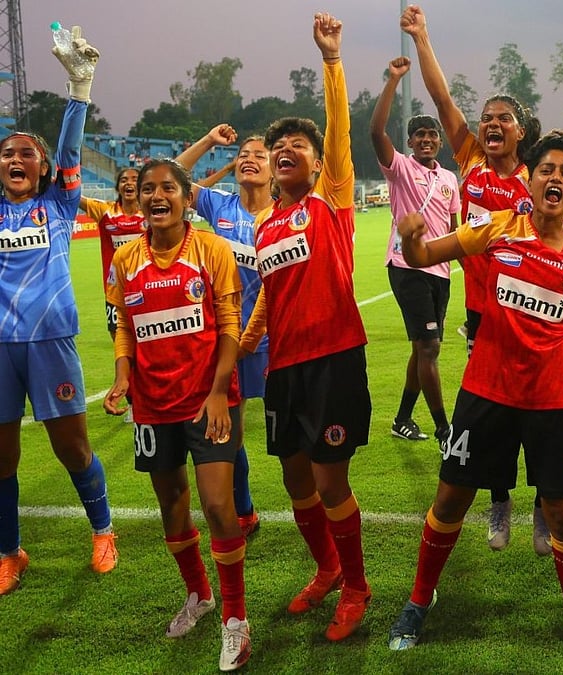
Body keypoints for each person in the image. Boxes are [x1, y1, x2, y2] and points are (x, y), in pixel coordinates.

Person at [387, 130, 563, 673]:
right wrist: (412, 236)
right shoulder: (497, 228)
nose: (555, 178)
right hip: (486, 392)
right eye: (546, 169)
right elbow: (425, 255)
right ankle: (420, 600)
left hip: (556, 400)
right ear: (530, 178)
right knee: (450, 502)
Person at [238, 12, 372, 642]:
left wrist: (332, 60)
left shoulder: (329, 202)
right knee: (295, 479)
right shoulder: (265, 226)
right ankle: (324, 569)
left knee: (328, 478)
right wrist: (242, 345)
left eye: (297, 149)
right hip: (283, 365)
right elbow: (269, 292)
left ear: (318, 165)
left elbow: (339, 132)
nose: (284, 153)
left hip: (333, 358)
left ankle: (356, 585)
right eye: (276, 148)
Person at [401, 3, 544, 554]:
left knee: (534, 407)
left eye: (503, 117)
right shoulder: (472, 163)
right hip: (483, 314)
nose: (490, 123)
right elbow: (440, 99)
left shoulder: (537, 180)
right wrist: (422, 37)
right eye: (486, 116)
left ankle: (538, 502)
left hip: (529, 313)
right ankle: (501, 501)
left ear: (522, 130)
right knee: (494, 411)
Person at [102, 159, 250, 671]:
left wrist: (216, 393)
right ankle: (199, 594)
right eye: (148, 189)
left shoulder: (212, 250)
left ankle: (236, 620)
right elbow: (126, 326)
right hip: (152, 406)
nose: (157, 195)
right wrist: (123, 374)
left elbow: (230, 326)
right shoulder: (125, 258)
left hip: (208, 400)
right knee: (171, 504)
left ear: (188, 197)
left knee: (216, 506)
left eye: (168, 187)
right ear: (138, 198)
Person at [0, 25, 117, 596]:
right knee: (0, 456)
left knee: (71, 446)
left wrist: (79, 87)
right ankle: (8, 551)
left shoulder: (61, 204)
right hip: (0, 350)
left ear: (45, 169)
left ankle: (102, 530)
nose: (15, 159)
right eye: (6, 153)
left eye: (27, 153)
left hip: (51, 342)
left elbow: (69, 149)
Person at [176, 125, 270, 539]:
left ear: (274, 169)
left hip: (273, 340)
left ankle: (314, 509)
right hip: (228, 339)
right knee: (228, 427)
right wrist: (211, 142)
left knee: (290, 435)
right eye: (244, 154)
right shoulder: (221, 206)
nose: (249, 158)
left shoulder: (286, 213)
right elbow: (173, 175)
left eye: (259, 155)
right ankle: (245, 510)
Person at [369, 56, 460, 446]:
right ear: (410, 142)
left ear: (439, 141)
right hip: (407, 267)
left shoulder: (449, 179)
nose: (426, 139)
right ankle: (444, 429)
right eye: (419, 134)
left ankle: (403, 418)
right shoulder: (401, 169)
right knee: (430, 346)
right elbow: (375, 131)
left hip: (439, 271)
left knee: (422, 347)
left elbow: (455, 231)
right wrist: (392, 81)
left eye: (432, 135)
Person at [79, 167, 145, 340]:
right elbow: (73, 197)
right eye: (124, 180)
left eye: (134, 179)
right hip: (115, 291)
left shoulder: (152, 212)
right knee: (120, 342)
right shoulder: (105, 211)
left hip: (147, 287)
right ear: (117, 187)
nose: (129, 183)